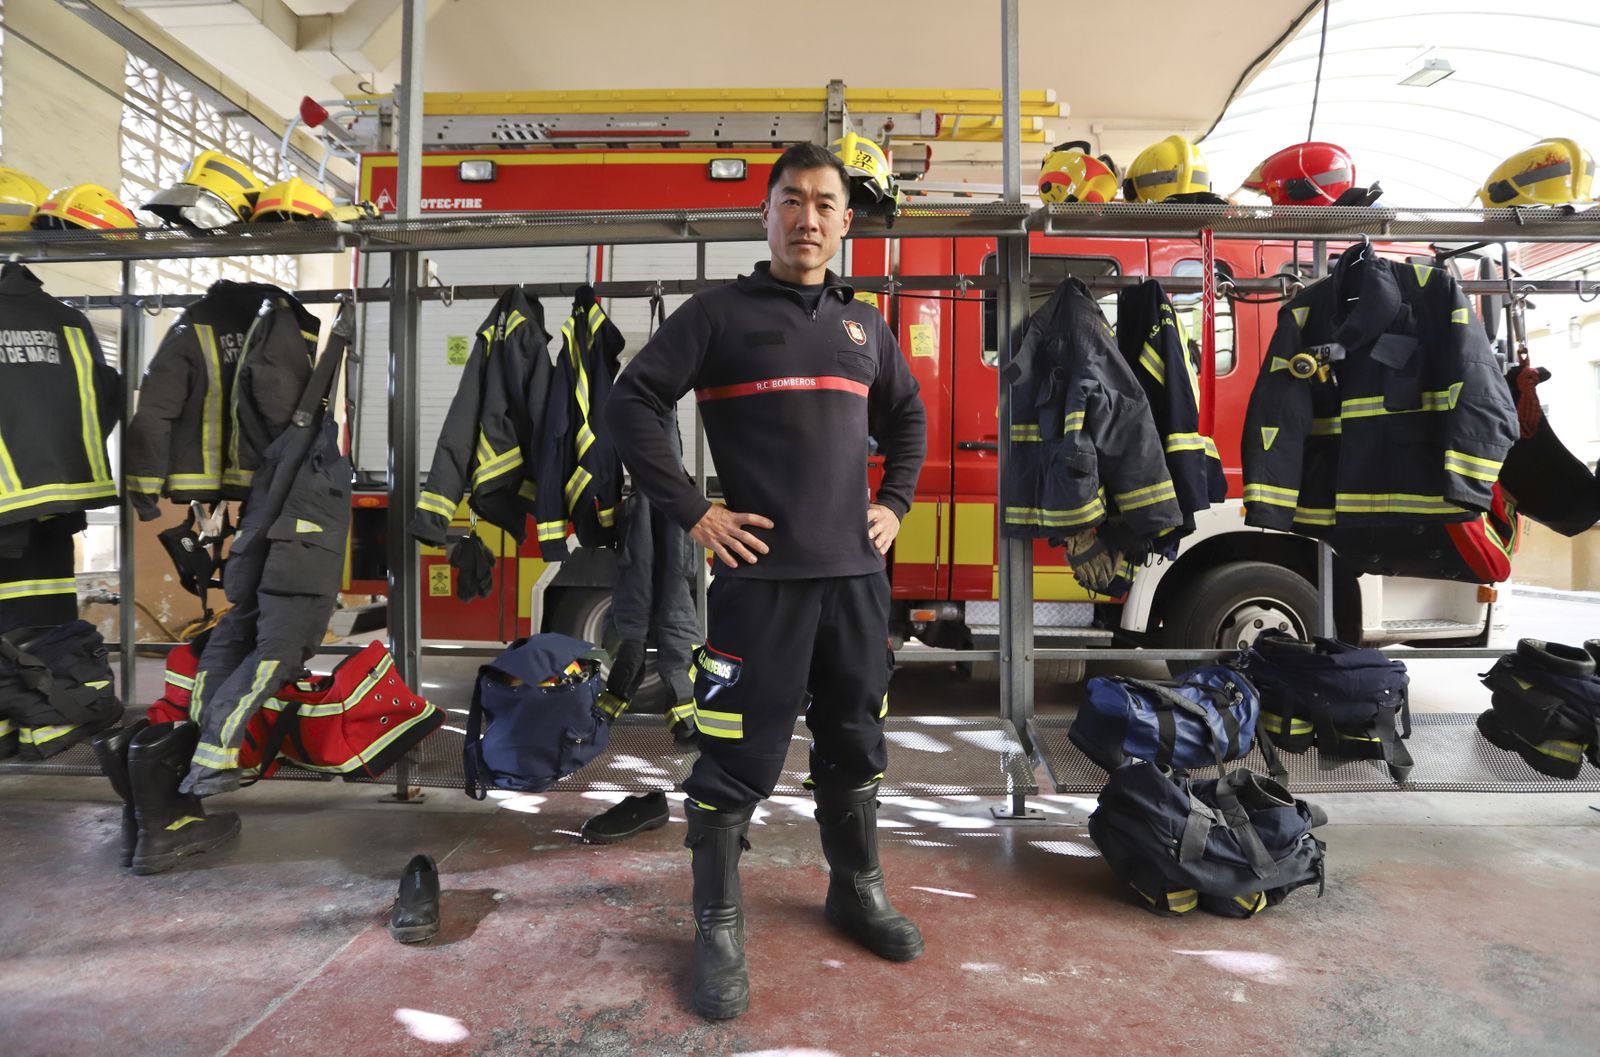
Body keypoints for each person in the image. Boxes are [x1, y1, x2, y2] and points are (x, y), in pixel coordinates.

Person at [606, 141, 928, 1020]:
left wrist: (894, 502)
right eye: (792, 200)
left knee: (856, 742)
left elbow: (909, 417)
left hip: (858, 583)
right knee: (736, 757)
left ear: (845, 220)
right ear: (766, 214)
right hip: (761, 587)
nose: (809, 218)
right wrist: (692, 510)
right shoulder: (717, 315)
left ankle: (854, 889)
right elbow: (630, 402)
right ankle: (715, 921)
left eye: (825, 203)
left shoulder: (865, 327)